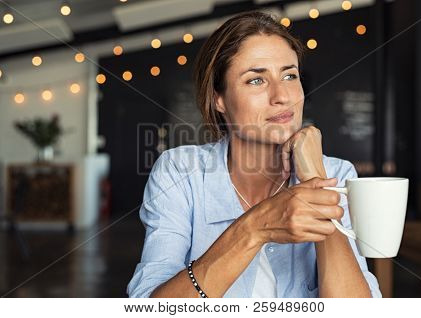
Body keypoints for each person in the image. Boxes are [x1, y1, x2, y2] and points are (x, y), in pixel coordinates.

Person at [127, 11, 381, 298]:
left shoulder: (337, 175)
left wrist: (314, 178)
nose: (282, 96)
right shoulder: (180, 172)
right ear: (218, 99)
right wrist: (255, 228)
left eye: (289, 75)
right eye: (256, 80)